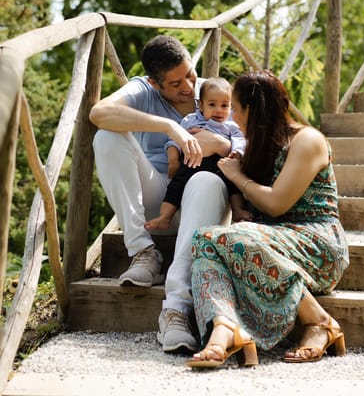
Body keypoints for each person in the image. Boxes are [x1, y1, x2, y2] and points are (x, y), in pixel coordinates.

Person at [186, 70, 349, 369]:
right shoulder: (256, 145)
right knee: (204, 242)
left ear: (253, 110)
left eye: (235, 108)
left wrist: (238, 177)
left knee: (216, 237)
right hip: (268, 241)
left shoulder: (306, 140)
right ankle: (223, 328)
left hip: (316, 244)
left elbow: (276, 204)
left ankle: (318, 320)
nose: (232, 117)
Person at [89, 35, 233, 354]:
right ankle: (143, 251)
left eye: (190, 74)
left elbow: (250, 140)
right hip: (159, 203)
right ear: (155, 83)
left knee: (206, 180)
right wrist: (170, 128)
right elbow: (100, 113)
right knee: (106, 138)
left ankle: (176, 310)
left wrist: (224, 145)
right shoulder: (144, 89)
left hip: (206, 201)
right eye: (175, 82)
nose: (188, 87)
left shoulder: (215, 91)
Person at [145, 77, 252, 231]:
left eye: (224, 105)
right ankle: (165, 217)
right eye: (212, 104)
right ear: (200, 105)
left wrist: (237, 151)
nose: (218, 110)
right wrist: (173, 159)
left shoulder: (230, 126)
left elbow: (240, 140)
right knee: (176, 186)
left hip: (219, 164)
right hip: (191, 162)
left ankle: (237, 210)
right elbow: (174, 141)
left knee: (233, 183)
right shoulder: (190, 121)